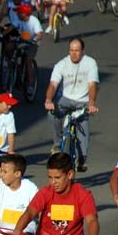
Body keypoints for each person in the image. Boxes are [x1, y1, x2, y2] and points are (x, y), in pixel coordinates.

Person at [45, 38, 100, 172]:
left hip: (83, 101)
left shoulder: (90, 63)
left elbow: (93, 84)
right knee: (52, 114)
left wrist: (91, 103)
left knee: (83, 130)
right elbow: (53, 84)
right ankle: (57, 145)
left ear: (82, 51)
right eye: (71, 50)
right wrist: (48, 100)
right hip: (66, 99)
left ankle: (81, 159)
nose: (74, 54)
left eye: (77, 51)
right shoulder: (61, 64)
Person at [1, 3, 42, 97]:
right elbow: (11, 28)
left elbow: (39, 34)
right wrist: (2, 35)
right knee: (11, 48)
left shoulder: (34, 21)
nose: (17, 14)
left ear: (24, 13)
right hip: (22, 41)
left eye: (19, 12)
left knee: (28, 61)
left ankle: (31, 85)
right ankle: (13, 67)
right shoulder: (19, 20)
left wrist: (34, 40)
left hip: (32, 44)